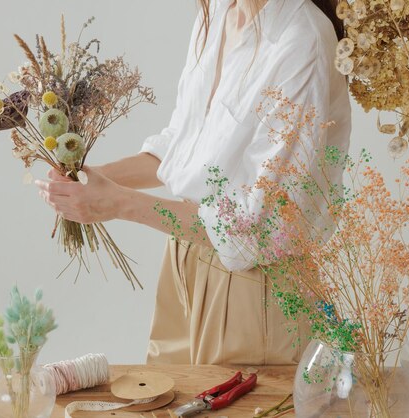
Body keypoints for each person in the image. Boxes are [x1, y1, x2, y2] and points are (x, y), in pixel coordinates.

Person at [35, 0, 351, 365]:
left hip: (256, 286)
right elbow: (186, 146)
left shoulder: (301, 39)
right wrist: (90, 179)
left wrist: (119, 203)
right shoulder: (216, 14)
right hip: (185, 259)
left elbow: (254, 231)